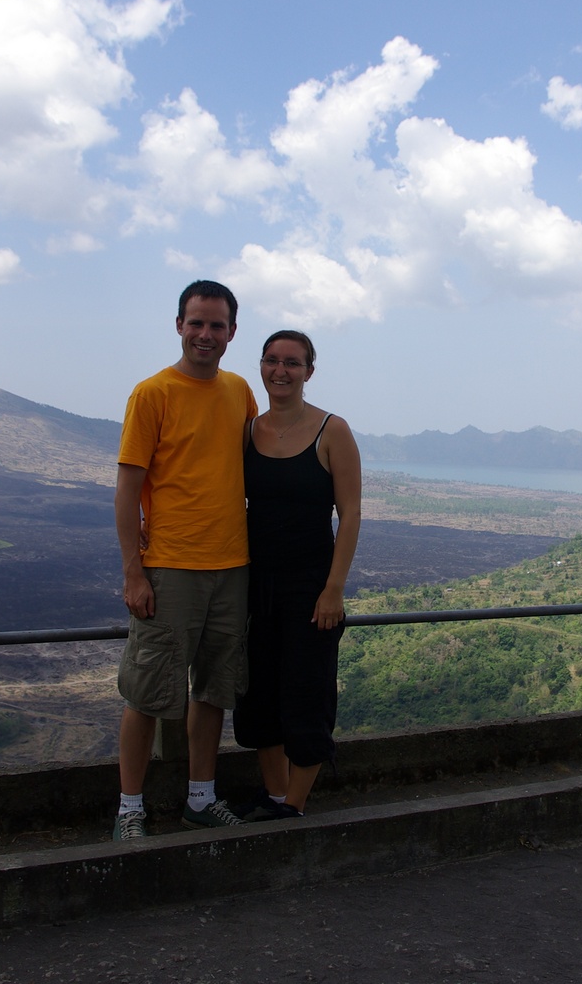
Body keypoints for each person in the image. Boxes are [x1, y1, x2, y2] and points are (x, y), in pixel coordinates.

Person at [112, 280, 259, 839]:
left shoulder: (239, 390)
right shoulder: (153, 394)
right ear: (179, 325)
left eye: (216, 325)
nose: (205, 334)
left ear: (231, 333)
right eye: (196, 323)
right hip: (170, 566)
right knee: (147, 692)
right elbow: (128, 489)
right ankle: (129, 806)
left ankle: (201, 796)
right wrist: (134, 570)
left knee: (213, 689)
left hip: (232, 565)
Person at [233, 329, 361, 820]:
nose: (280, 371)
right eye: (271, 361)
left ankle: (295, 804)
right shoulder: (248, 431)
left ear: (310, 370)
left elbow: (349, 514)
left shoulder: (333, 431)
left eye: (292, 362)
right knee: (258, 692)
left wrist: (333, 590)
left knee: (307, 690)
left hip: (311, 586)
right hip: (255, 584)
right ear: (261, 366)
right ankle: (274, 793)